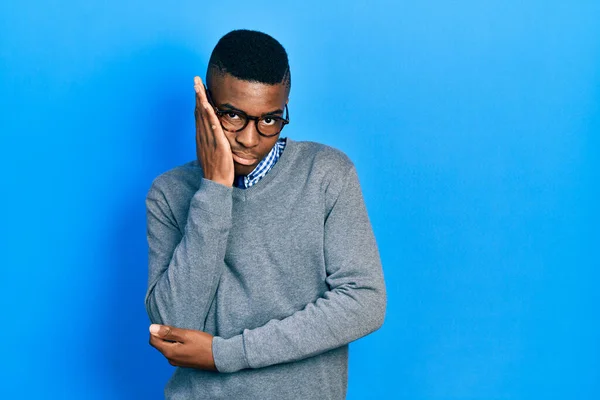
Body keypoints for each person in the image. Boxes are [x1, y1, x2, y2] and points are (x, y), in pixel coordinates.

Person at [144, 29, 387, 400]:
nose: (249, 138)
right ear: (205, 104)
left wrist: (224, 354)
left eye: (270, 120)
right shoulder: (169, 193)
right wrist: (214, 189)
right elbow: (173, 327)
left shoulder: (326, 174)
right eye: (233, 116)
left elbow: (364, 301)